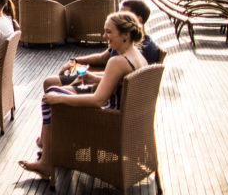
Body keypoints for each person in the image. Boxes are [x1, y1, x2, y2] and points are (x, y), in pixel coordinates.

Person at [19, 11, 149, 180]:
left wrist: (60, 99)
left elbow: (97, 101)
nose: (104, 36)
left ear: (125, 34)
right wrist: (95, 77)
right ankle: (50, 151)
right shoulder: (137, 56)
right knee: (57, 93)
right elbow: (123, 81)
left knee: (51, 96)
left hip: (109, 121)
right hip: (127, 120)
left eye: (109, 31)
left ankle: (47, 161)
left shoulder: (117, 61)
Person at [41, 0, 160, 91]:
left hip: (107, 90)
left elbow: (123, 81)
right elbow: (103, 58)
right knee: (50, 82)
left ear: (138, 20)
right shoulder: (125, 42)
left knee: (52, 86)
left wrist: (93, 77)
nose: (118, 17)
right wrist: (76, 61)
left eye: (124, 15)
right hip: (104, 80)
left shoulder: (144, 49)